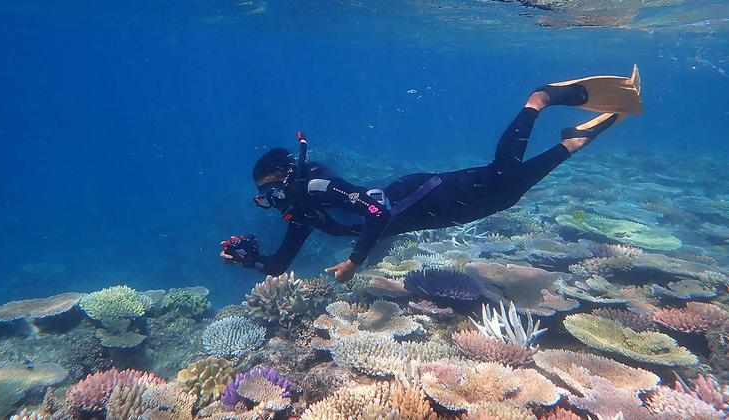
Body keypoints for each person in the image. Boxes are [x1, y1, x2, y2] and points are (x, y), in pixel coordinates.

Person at [221, 66, 642, 282]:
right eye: (265, 198)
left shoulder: (315, 185)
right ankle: (573, 142)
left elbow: (375, 212)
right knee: (506, 195)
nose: (273, 201)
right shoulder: (301, 213)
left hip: (423, 194)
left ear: (287, 174)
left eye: (271, 190)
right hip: (431, 215)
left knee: (502, 172)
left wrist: (354, 260)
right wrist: (250, 259)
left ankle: (539, 99)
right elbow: (280, 265)